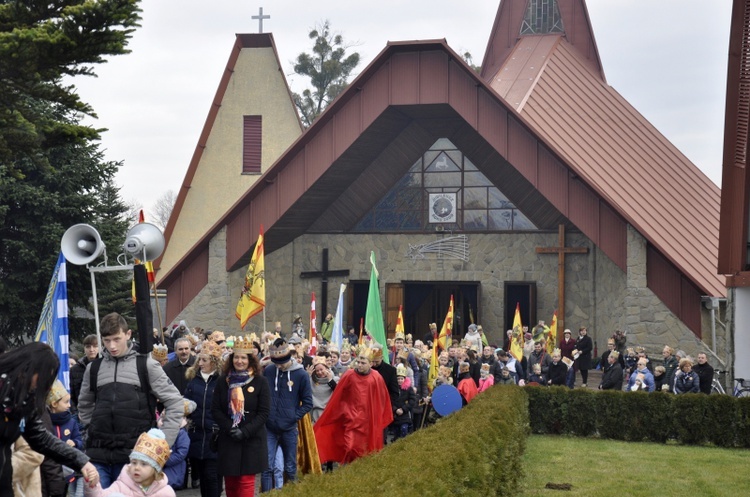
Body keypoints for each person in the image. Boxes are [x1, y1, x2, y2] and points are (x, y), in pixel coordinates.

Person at [78, 312, 183, 489]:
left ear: (128, 335)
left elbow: (175, 402)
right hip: (98, 454)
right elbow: (84, 404)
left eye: (116, 339)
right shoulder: (93, 368)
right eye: (106, 340)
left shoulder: (146, 365)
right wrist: (91, 428)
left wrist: (163, 442)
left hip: (134, 458)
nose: (112, 346)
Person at [0, 342, 99, 493]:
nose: (44, 384)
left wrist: (81, 461)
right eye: (45, 376)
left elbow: (41, 438)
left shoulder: (24, 399)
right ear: (29, 368)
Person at [314, 345, 393, 464]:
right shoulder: (349, 375)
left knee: (365, 451)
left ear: (370, 364)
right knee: (350, 447)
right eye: (358, 362)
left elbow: (382, 399)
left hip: (367, 421)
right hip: (351, 419)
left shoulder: (376, 378)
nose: (359, 365)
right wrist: (344, 411)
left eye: (363, 362)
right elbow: (339, 395)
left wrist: (377, 417)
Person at [212, 336, 271, 497]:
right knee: (230, 484)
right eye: (236, 357)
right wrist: (230, 427)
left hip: (251, 440)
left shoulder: (260, 382)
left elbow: (264, 412)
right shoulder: (222, 381)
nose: (239, 361)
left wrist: (244, 432)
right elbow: (215, 409)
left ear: (250, 360)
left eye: (243, 358)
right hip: (229, 438)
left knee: (246, 483)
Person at [261, 338, 312, 492]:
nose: (278, 365)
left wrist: (293, 417)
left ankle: (291, 494)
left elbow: (308, 403)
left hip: (289, 428)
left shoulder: (301, 374)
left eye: (281, 362)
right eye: (276, 362)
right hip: (270, 427)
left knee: (290, 467)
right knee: (266, 467)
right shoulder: (269, 371)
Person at [84, 428, 175, 497]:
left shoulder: (165, 492)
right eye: (134, 462)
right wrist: (92, 484)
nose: (137, 467)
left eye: (144, 464)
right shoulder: (121, 485)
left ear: (155, 469)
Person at [184, 339, 223, 496]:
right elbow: (186, 402)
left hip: (214, 436)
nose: (200, 363)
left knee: (212, 476)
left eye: (204, 360)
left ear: (214, 361)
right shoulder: (194, 381)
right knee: (203, 478)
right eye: (199, 359)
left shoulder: (222, 381)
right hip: (196, 434)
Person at [44, 379, 84, 497]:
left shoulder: (71, 422)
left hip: (69, 470)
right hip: (51, 470)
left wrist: (75, 443)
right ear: (54, 404)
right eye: (66, 402)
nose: (69, 405)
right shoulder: (46, 422)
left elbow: (80, 441)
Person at [160, 400, 193, 491]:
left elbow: (181, 453)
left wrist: (163, 461)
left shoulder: (181, 433)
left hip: (173, 472)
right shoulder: (159, 430)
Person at [70, 334, 100, 414]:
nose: (92, 349)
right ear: (84, 348)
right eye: (88, 347)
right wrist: (75, 413)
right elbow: (71, 394)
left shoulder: (105, 366)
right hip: (81, 413)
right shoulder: (75, 369)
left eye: (95, 346)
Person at [390, 364, 416, 441]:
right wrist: (395, 409)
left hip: (405, 414)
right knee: (396, 432)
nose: (400, 380)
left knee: (404, 429)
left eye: (401, 379)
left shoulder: (408, 389)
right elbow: (390, 400)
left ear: (404, 378)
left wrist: (404, 409)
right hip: (395, 414)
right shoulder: (392, 389)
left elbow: (412, 400)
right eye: (398, 379)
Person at [309, 356, 337, 423]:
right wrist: (308, 376)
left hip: (329, 412)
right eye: (317, 371)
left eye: (321, 369)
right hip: (315, 412)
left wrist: (330, 380)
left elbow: (337, 391)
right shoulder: (312, 381)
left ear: (326, 368)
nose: (320, 372)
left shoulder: (335, 379)